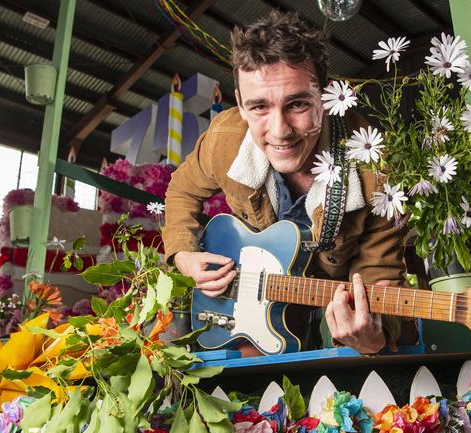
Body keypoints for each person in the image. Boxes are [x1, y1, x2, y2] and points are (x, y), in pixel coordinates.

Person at [162, 10, 409, 356]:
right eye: (259, 107)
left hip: (333, 293)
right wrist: (184, 253)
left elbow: (379, 276)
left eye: (296, 104)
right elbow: (182, 190)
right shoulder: (223, 139)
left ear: (324, 98)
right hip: (258, 301)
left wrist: (374, 339)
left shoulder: (377, 170)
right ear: (240, 104)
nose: (280, 131)